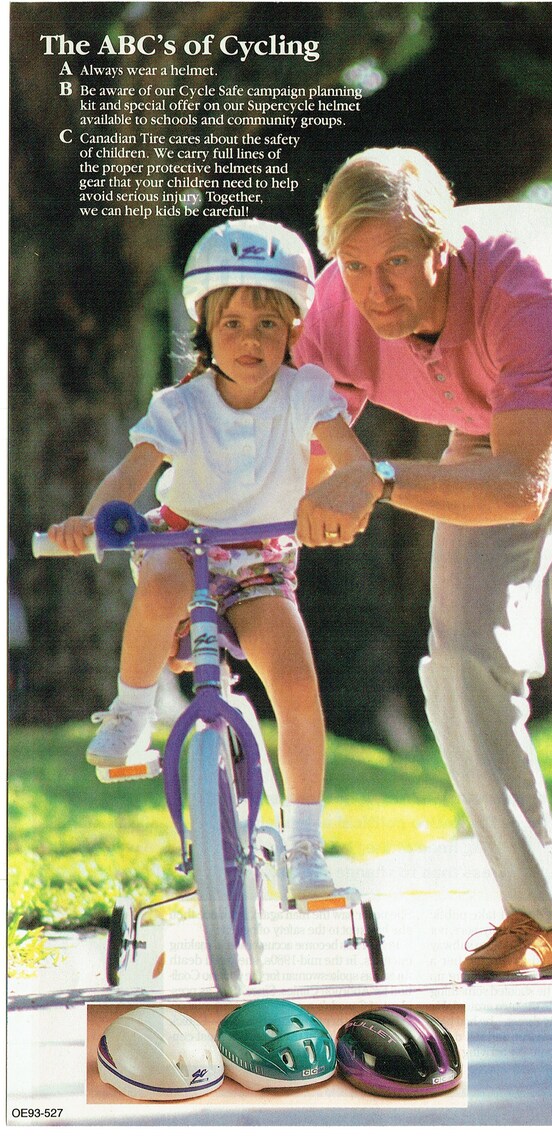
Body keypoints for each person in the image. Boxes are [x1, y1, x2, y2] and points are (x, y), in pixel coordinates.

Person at [294, 147, 552, 978]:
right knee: (456, 659)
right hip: (489, 421)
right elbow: (307, 403)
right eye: (356, 264)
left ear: (442, 246)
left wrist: (372, 477)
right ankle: (534, 914)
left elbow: (521, 488)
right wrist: (342, 463)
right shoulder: (338, 303)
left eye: (399, 264)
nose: (377, 290)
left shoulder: (526, 287)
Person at [47, 218, 374, 900]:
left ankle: (305, 844)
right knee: (160, 585)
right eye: (232, 323)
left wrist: (344, 497)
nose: (250, 339)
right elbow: (130, 476)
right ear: (205, 329)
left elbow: (352, 464)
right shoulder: (181, 404)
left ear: (291, 331)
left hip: (261, 558)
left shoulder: (307, 392)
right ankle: (133, 711)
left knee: (296, 689)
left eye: (267, 324)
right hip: (184, 539)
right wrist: (95, 521)